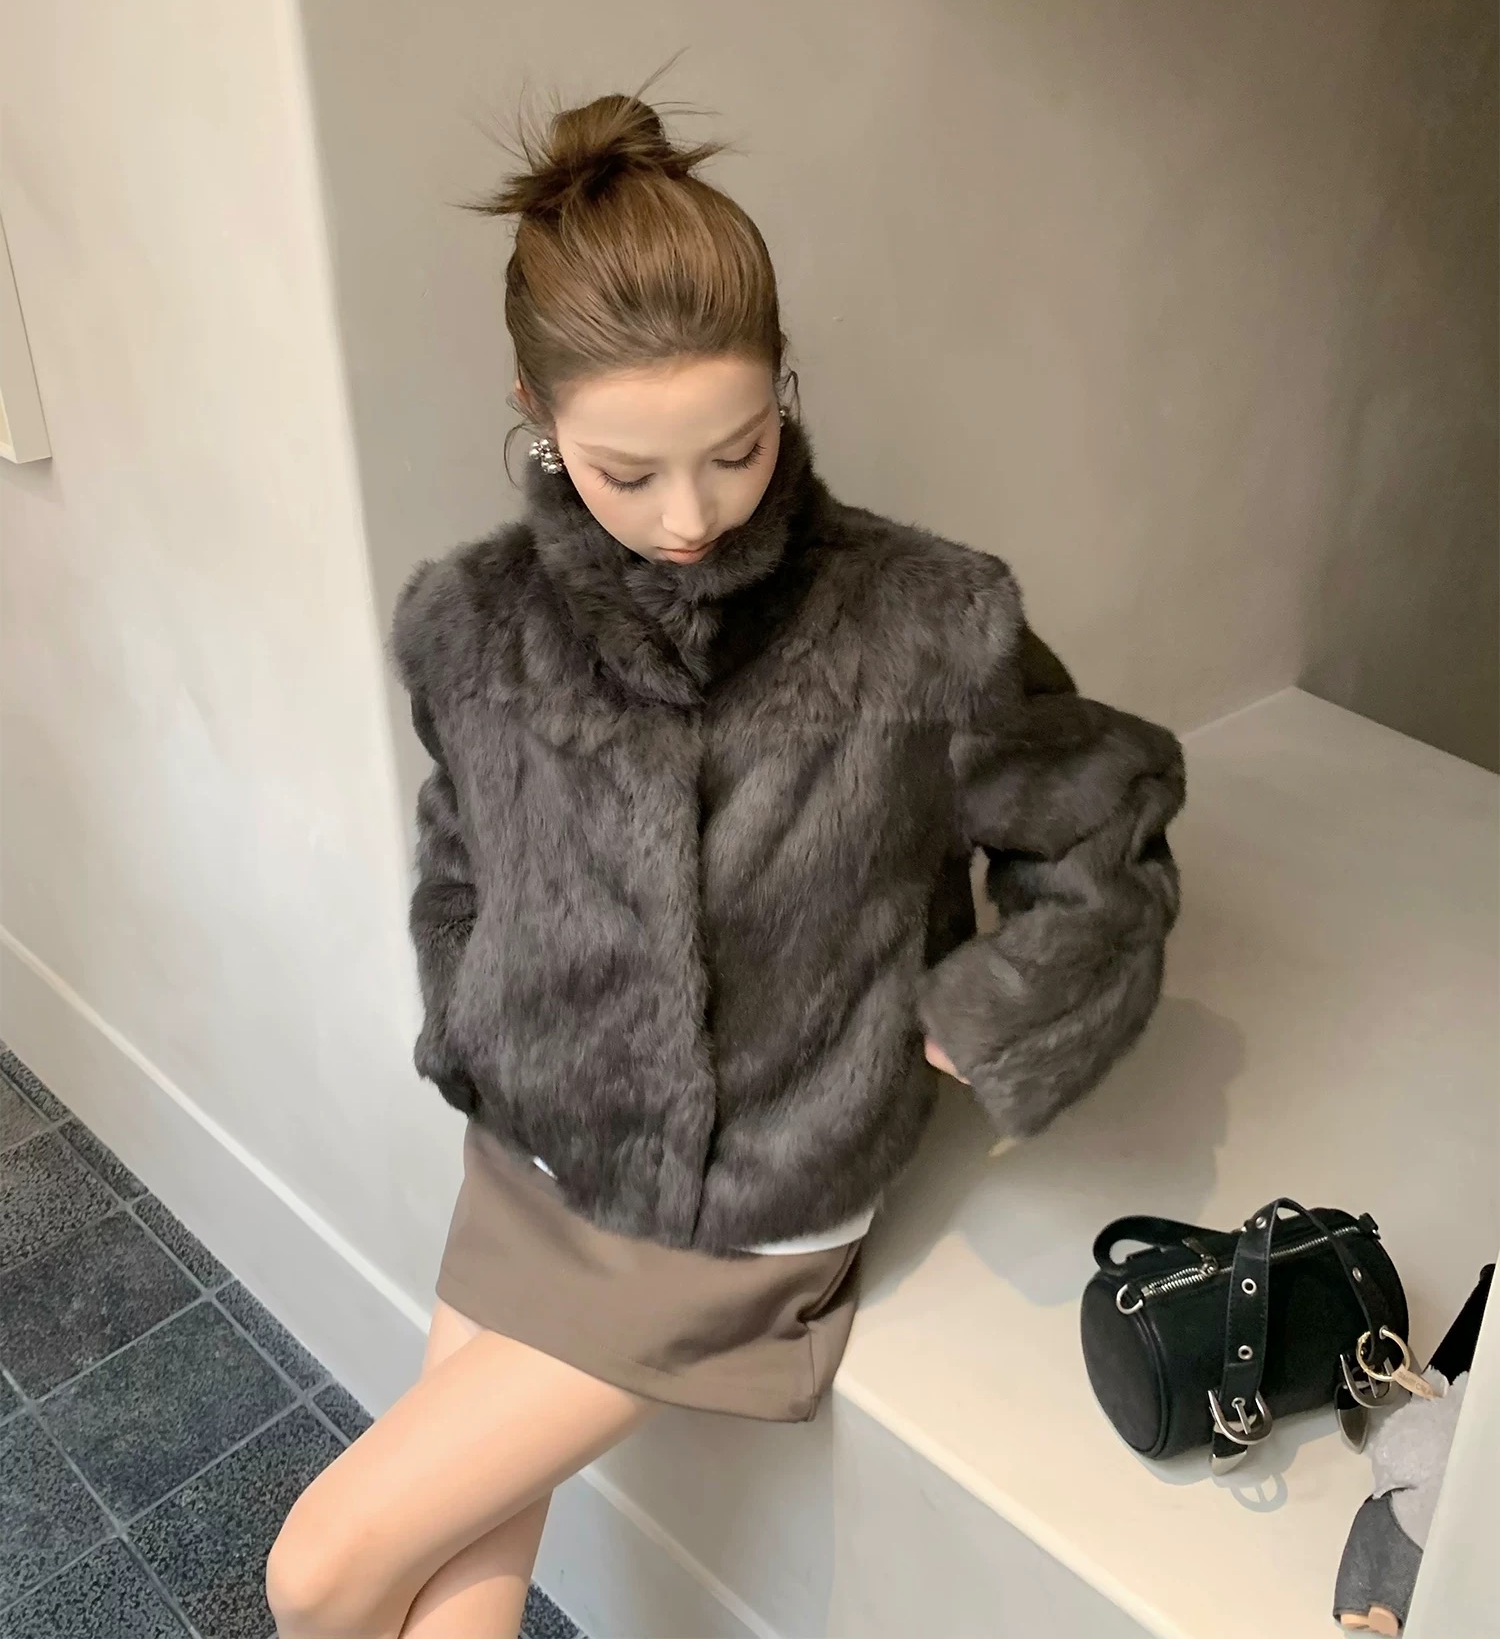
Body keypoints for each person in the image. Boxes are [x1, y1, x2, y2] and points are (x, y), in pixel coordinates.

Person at [265, 90, 1187, 1639]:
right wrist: (479, 1003)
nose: (691, 517)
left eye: (739, 450)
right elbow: (460, 842)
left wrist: (980, 1014)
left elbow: (1106, 812)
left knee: (323, 1569)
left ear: (783, 391)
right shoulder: (479, 623)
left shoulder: (917, 623)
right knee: (447, 1592)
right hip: (538, 1149)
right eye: (628, 473)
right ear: (535, 411)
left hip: (742, 1201)